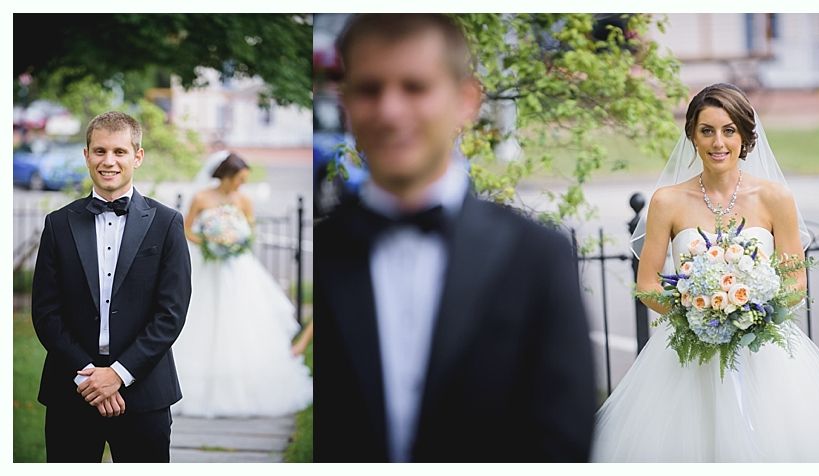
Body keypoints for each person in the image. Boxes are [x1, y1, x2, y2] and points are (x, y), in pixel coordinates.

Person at [313, 14, 596, 462]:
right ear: (345, 101)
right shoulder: (322, 253)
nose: (389, 111)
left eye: (415, 87)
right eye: (369, 89)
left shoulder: (537, 256)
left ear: (466, 101)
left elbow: (563, 444)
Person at [590, 83, 819, 462]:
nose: (718, 142)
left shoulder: (775, 198)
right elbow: (648, 284)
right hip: (688, 357)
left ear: (745, 136)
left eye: (729, 130)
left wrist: (748, 315)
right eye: (707, 131)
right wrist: (697, 316)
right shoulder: (666, 202)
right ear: (692, 135)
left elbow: (796, 282)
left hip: (764, 355)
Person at [31, 111, 191, 462]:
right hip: (71, 389)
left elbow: (171, 313)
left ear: (138, 156)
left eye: (119, 152)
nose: (109, 161)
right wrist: (90, 378)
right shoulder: (58, 225)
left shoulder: (167, 224)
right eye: (100, 151)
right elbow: (46, 313)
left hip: (145, 389)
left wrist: (118, 375)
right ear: (86, 155)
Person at [170, 153, 312, 418]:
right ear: (227, 176)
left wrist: (234, 242)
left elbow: (250, 231)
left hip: (238, 268)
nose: (242, 185)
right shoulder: (202, 198)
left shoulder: (244, 200)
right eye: (240, 179)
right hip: (209, 267)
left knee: (242, 320)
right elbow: (186, 229)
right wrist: (209, 241)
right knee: (203, 319)